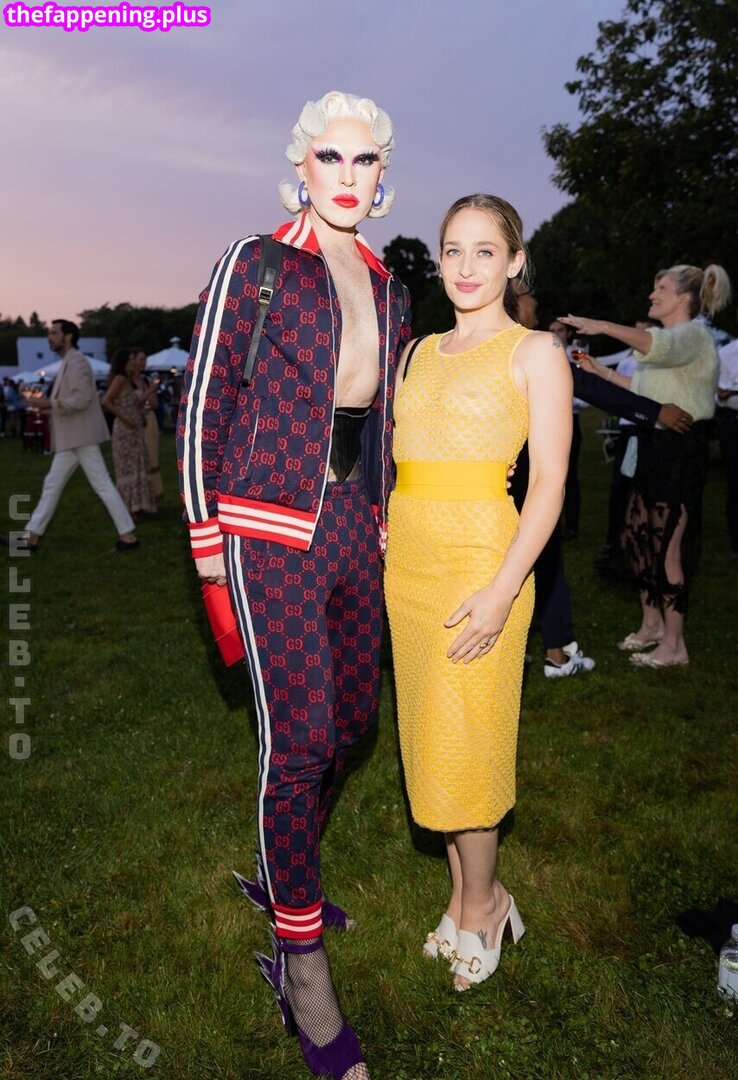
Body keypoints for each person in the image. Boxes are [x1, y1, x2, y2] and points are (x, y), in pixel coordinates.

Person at [177, 91, 408, 1079]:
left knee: (353, 723)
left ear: (383, 177)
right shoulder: (257, 262)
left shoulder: (391, 285)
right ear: (301, 167)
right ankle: (301, 969)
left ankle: (287, 877)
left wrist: (386, 520)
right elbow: (202, 405)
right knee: (301, 736)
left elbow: (383, 414)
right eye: (330, 158)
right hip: (265, 525)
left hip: (356, 525)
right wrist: (207, 544)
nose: (347, 177)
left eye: (365, 161)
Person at [384, 194, 572, 990]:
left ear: (515, 261)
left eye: (485, 251)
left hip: (482, 566)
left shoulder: (536, 351)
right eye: (453, 251)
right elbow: (403, 456)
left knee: (470, 745)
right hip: (409, 570)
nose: (466, 267)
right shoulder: (415, 352)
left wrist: (504, 588)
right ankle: (465, 899)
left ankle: (487, 906)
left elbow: (550, 483)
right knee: (431, 739)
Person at [561, 262, 732, 667]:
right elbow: (643, 389)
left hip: (680, 450)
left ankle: (675, 645)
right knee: (639, 538)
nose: (652, 295)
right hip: (652, 445)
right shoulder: (670, 343)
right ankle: (651, 625)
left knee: (667, 546)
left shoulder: (692, 336)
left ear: (684, 298)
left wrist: (601, 326)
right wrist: (600, 370)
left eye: (662, 289)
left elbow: (657, 346)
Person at [12, 320, 138, 552]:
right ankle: (30, 538)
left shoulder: (77, 361)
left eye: (54, 333)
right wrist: (45, 407)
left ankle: (128, 536)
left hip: (80, 437)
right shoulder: (69, 362)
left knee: (101, 485)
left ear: (68, 336)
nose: (49, 337)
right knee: (53, 485)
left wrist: (47, 403)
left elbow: (82, 399)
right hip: (73, 437)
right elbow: (72, 401)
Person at [102, 349, 156, 517]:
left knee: (138, 464)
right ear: (124, 361)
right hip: (125, 429)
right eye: (132, 358)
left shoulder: (127, 381)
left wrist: (150, 392)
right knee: (128, 467)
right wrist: (126, 419)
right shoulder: (119, 379)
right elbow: (106, 401)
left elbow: (134, 402)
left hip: (136, 428)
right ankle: (129, 507)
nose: (134, 362)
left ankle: (138, 505)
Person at [549, 319, 587, 540]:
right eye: (552, 330)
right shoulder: (544, 355)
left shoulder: (576, 355)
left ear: (568, 333)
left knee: (569, 475)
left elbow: (584, 393)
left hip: (570, 420)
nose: (556, 334)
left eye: (560, 330)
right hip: (546, 422)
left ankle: (571, 526)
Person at [130, 349, 164, 502]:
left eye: (145, 359)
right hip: (133, 422)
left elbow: (155, 404)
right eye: (140, 359)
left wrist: (150, 392)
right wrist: (149, 391)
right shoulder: (127, 381)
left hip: (150, 420)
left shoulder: (145, 380)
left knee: (152, 455)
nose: (143, 363)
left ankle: (154, 492)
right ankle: (140, 494)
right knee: (137, 458)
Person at [716, 336, 738, 560]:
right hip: (733, 422)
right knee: (735, 484)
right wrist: (724, 393)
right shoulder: (726, 353)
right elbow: (718, 394)